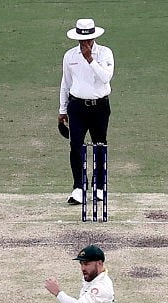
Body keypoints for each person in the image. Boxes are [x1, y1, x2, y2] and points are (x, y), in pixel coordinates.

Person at [58, 18, 114, 206]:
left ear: (94, 38)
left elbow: (106, 77)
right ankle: (79, 188)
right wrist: (62, 110)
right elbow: (65, 83)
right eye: (82, 40)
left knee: (100, 145)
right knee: (76, 146)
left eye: (88, 40)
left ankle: (99, 186)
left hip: (100, 106)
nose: (85, 44)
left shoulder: (105, 53)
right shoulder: (70, 56)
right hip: (77, 107)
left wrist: (90, 59)